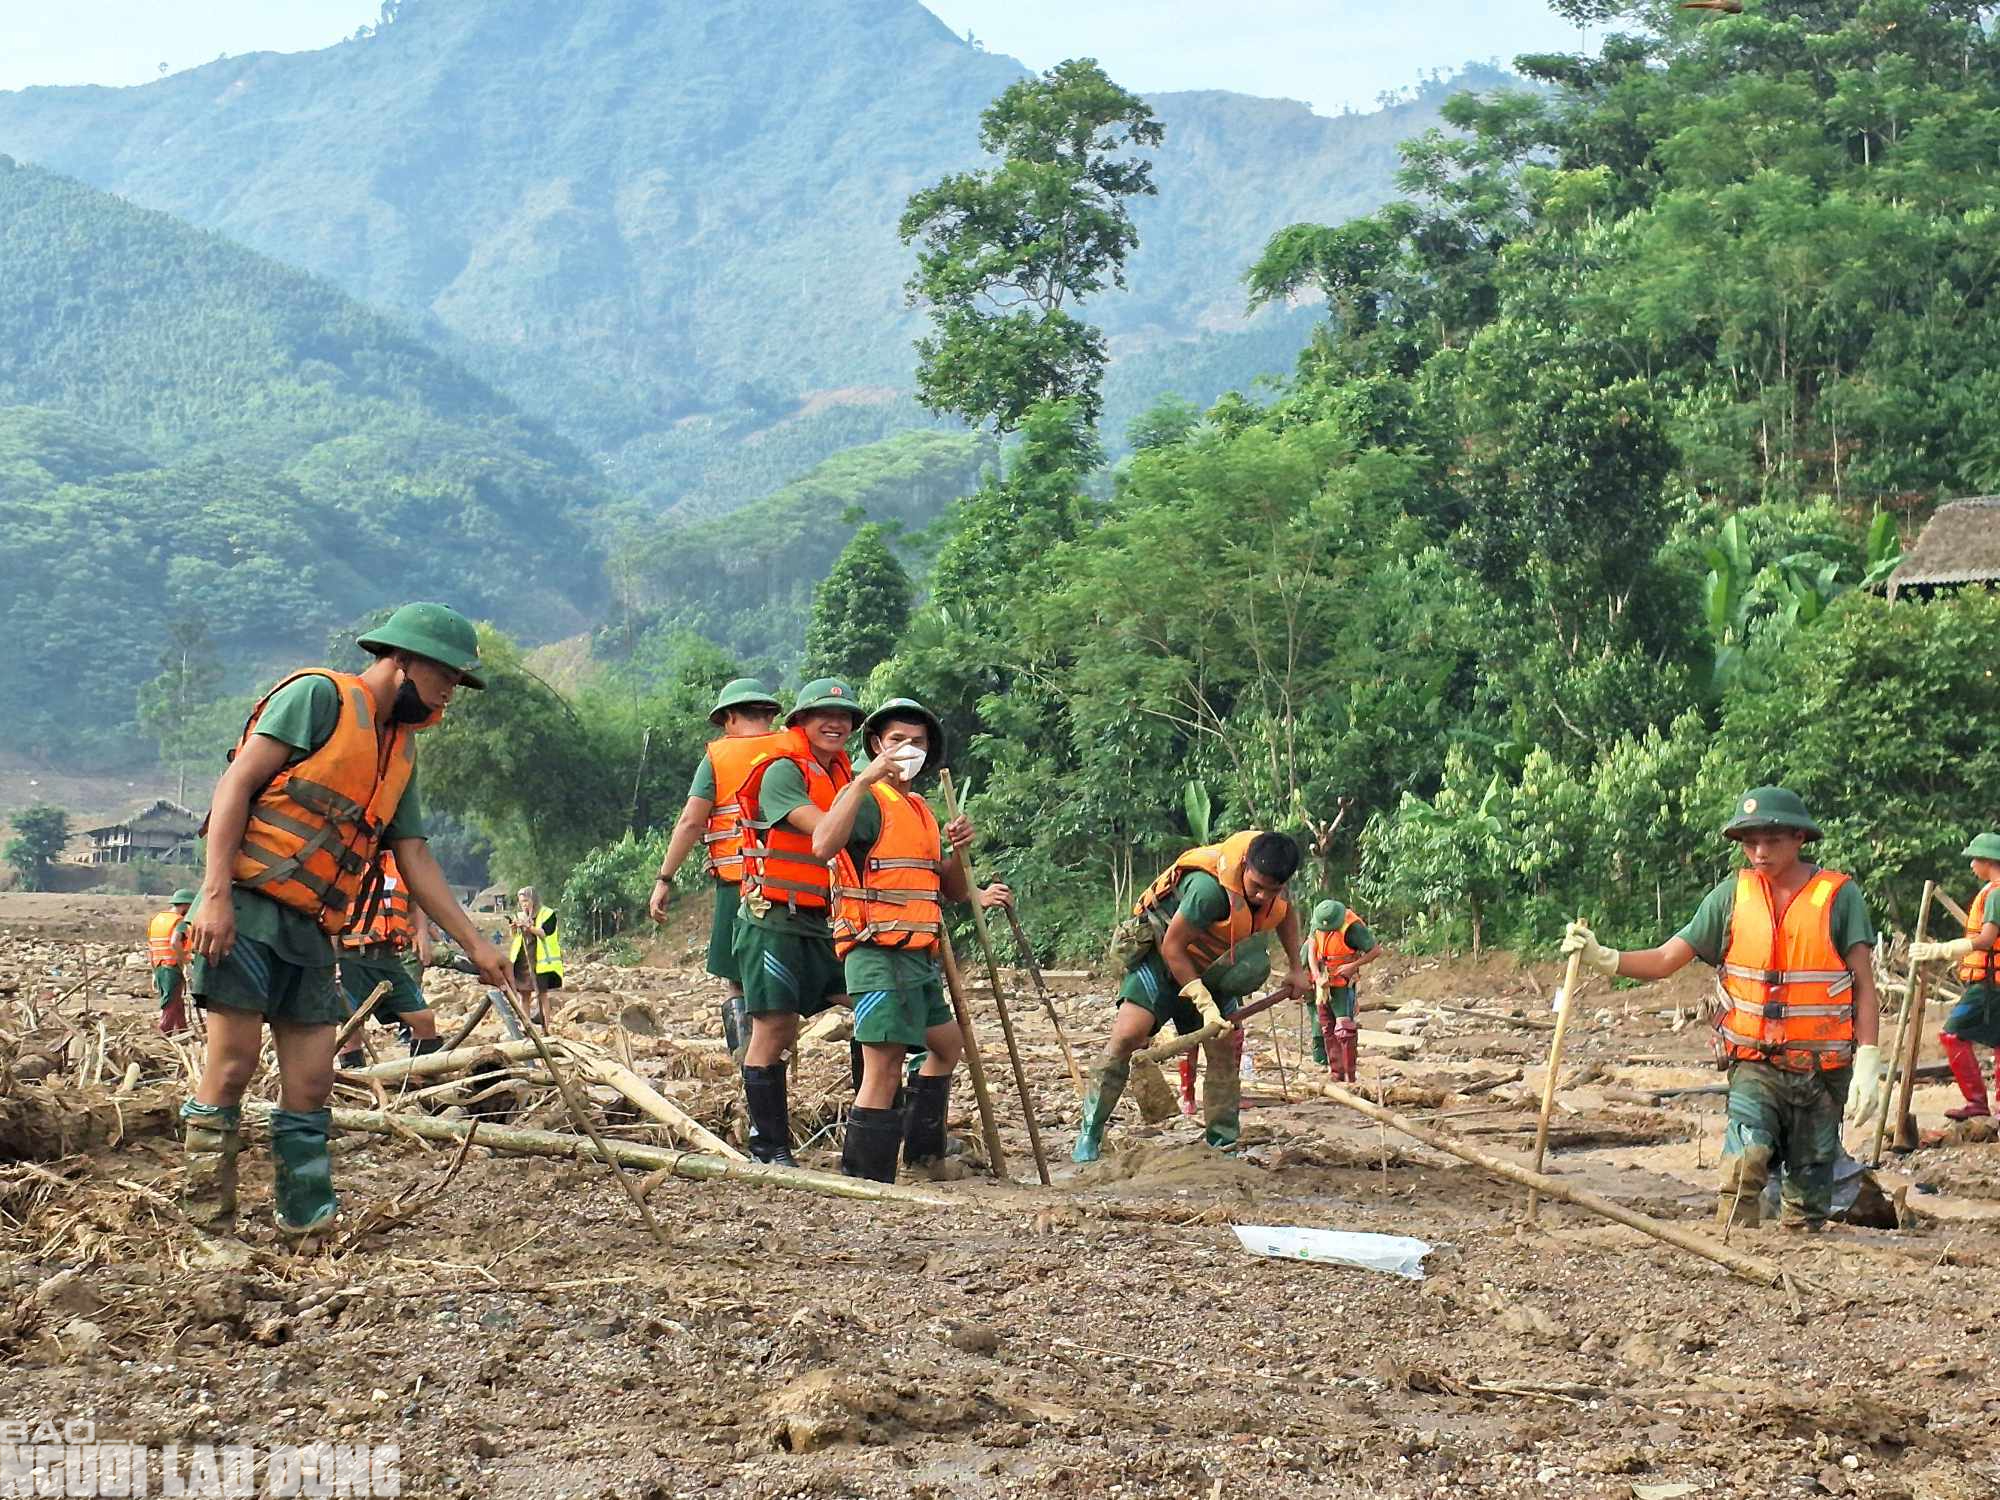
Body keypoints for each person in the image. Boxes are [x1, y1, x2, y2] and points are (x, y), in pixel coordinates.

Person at [181, 603, 513, 1235]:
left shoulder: (401, 753)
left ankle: (306, 1222)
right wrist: (215, 893)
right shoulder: (317, 698)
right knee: (231, 1066)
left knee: (311, 1083)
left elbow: (413, 854)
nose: (449, 692)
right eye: (444, 676)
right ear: (403, 660)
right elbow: (235, 786)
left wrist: (476, 944)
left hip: (312, 929)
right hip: (246, 908)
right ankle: (208, 1226)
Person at [1561, 786, 1880, 1231]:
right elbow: (1665, 959)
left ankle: (1799, 1253)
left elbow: (1865, 985)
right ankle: (1734, 1245)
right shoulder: (1731, 897)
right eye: (1750, 843)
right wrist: (1605, 957)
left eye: (1771, 841)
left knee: (1809, 1186)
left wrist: (1869, 1058)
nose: (1760, 852)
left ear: (1800, 838)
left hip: (1821, 1072)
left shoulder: (1839, 896)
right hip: (1754, 1063)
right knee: (1745, 1159)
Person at [810, 697, 1011, 1182]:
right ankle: (867, 1179)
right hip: (876, 952)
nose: (908, 749)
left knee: (946, 1045)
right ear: (877, 745)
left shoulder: (919, 808)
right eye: (897, 740)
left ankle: (924, 1157)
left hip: (919, 955)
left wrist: (957, 852)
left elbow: (950, 889)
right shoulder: (865, 800)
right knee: (884, 1067)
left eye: (917, 742)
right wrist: (861, 780)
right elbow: (821, 846)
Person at [1074, 830, 1310, 1164]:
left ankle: (1222, 1143)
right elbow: (1172, 946)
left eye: (1269, 890)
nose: (1259, 896)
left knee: (1225, 1047)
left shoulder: (1275, 894)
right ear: (1244, 864)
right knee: (1128, 1036)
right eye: (1255, 885)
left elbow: (1284, 914)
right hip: (1162, 960)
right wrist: (1202, 1002)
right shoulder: (1207, 891)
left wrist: (1297, 968)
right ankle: (1090, 1132)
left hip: (1213, 966)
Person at [730, 678, 862, 1165]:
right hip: (775, 920)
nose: (837, 723)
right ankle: (769, 1147)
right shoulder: (783, 772)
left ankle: (868, 1136)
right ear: (800, 722)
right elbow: (825, 832)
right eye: (824, 715)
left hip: (827, 921)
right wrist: (867, 788)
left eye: (846, 716)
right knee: (775, 1028)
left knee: (872, 1007)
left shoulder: (844, 774)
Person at [649, 678, 784, 1060]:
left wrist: (664, 879)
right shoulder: (795, 749)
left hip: (740, 884)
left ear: (728, 718)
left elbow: (692, 821)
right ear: (771, 714)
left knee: (737, 979)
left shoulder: (718, 758)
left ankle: (750, 1065)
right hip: (799, 885)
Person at [1911, 832, 2000, 1121]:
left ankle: (1976, 1102)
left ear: (1988, 860)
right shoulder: (1993, 890)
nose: (1972, 865)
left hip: (1991, 982)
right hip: (1993, 978)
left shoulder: (1997, 893)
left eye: (1975, 859)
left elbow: (1987, 939)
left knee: (1951, 1034)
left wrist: (1942, 949)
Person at [335, 847, 441, 1069]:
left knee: (423, 1020)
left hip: (388, 958)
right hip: (351, 957)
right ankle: (356, 1084)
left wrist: (422, 934)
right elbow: (329, 912)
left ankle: (423, 1075)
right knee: (351, 1029)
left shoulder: (400, 862)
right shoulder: (346, 859)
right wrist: (331, 960)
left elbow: (415, 904)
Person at [1306, 897, 1384, 1083]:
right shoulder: (1317, 921)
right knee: (1327, 1027)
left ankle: (1350, 1076)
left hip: (1343, 981)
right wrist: (1316, 974)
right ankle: (1336, 1074)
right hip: (1323, 982)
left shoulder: (1352, 927)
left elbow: (1375, 951)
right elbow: (1311, 948)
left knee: (1344, 1029)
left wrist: (1353, 966)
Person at [507, 886, 565, 1024]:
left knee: (542, 994)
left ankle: (547, 1026)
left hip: (540, 961)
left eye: (526, 901)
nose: (524, 904)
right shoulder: (520, 916)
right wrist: (514, 928)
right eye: (521, 902)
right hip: (523, 960)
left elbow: (544, 933)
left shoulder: (547, 914)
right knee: (524, 994)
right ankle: (525, 1025)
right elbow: (515, 937)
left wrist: (528, 927)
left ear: (533, 899)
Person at [149, 888, 197, 1037]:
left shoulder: (158, 920)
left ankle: (183, 1031)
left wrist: (153, 971)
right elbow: (175, 941)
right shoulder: (179, 922)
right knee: (170, 1003)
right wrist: (184, 958)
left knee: (176, 1001)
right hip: (171, 966)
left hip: (159, 965)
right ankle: (163, 1033)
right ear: (185, 906)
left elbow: (151, 946)